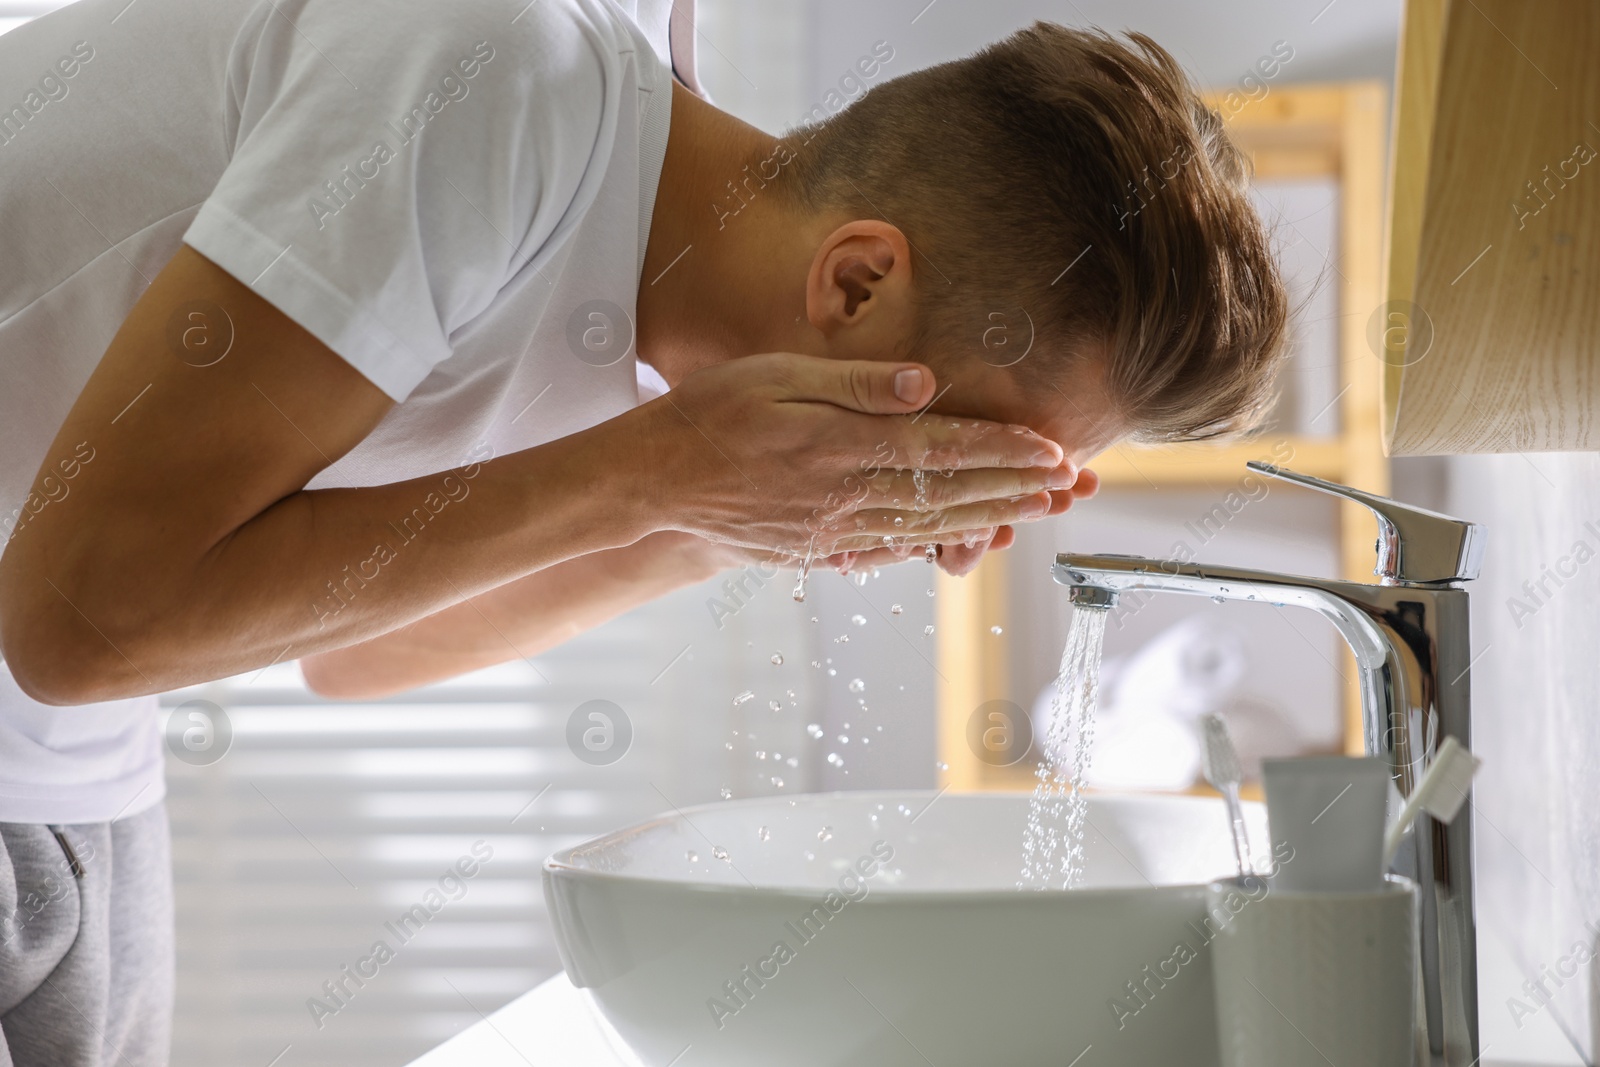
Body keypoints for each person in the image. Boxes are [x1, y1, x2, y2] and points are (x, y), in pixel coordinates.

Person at [0, 0, 1286, 1060]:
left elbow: (361, 652)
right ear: (855, 280)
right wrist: (653, 474)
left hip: (70, 767)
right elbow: (74, 620)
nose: (938, 502)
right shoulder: (494, 86)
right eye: (957, 446)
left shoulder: (638, 292)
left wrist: (722, 522)